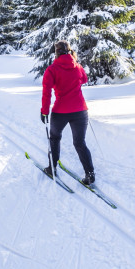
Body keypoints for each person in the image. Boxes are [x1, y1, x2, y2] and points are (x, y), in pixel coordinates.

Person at [40, 40, 95, 185]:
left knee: (55, 138)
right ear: (69, 51)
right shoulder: (77, 66)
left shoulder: (52, 69)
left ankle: (52, 168)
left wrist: (44, 112)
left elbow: (47, 93)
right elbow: (84, 79)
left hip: (60, 111)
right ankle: (89, 173)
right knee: (79, 142)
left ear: (56, 52)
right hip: (80, 110)